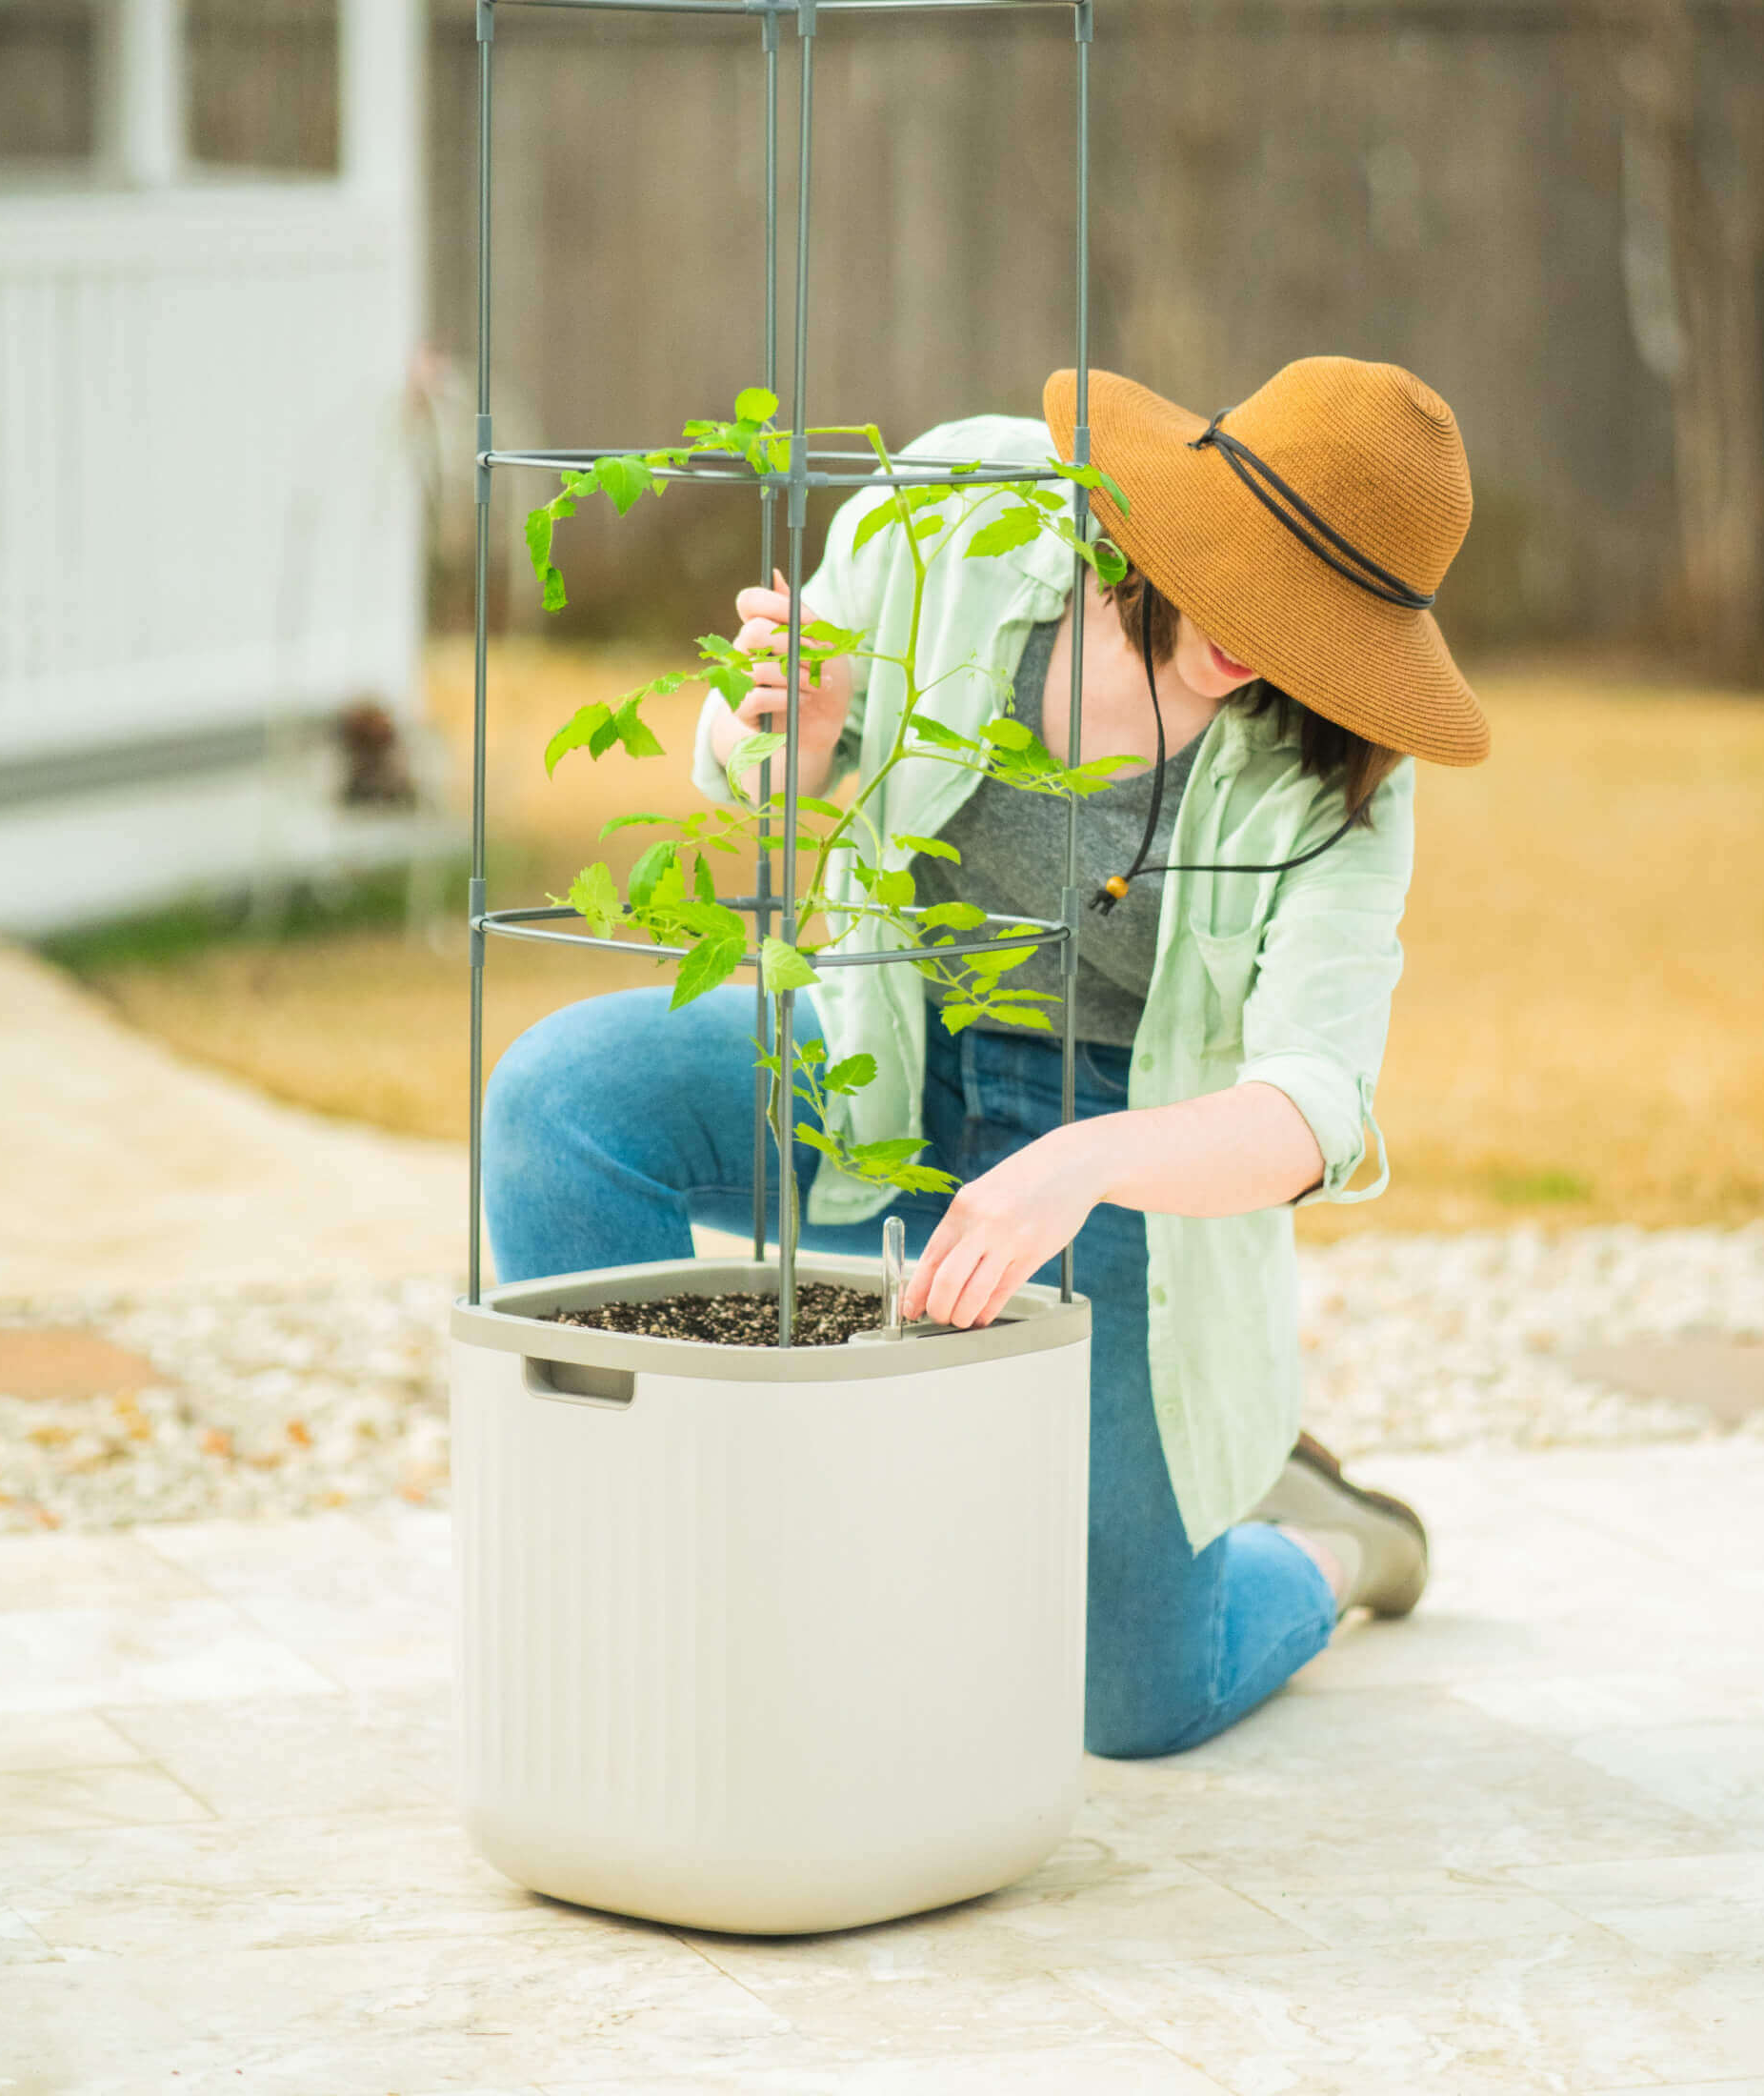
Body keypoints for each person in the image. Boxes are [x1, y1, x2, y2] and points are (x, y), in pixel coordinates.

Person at [483, 355, 1488, 1759]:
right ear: (1185, 521)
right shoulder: (971, 512)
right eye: (1256, 587)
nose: (1269, 644)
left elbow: (1313, 1111)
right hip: (886, 1048)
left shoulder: (1346, 774)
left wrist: (1076, 1167)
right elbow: (749, 759)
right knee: (562, 1105)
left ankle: (1326, 1547)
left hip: (1118, 1151)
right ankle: (658, 1579)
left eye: (1323, 628)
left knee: (1137, 1703)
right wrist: (789, 728)